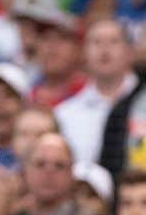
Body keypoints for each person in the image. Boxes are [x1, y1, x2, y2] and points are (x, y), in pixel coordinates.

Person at [54, 19, 137, 165]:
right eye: (96, 42)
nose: (104, 49)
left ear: (129, 51)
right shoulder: (65, 114)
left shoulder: (141, 100)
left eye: (114, 41)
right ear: (83, 53)